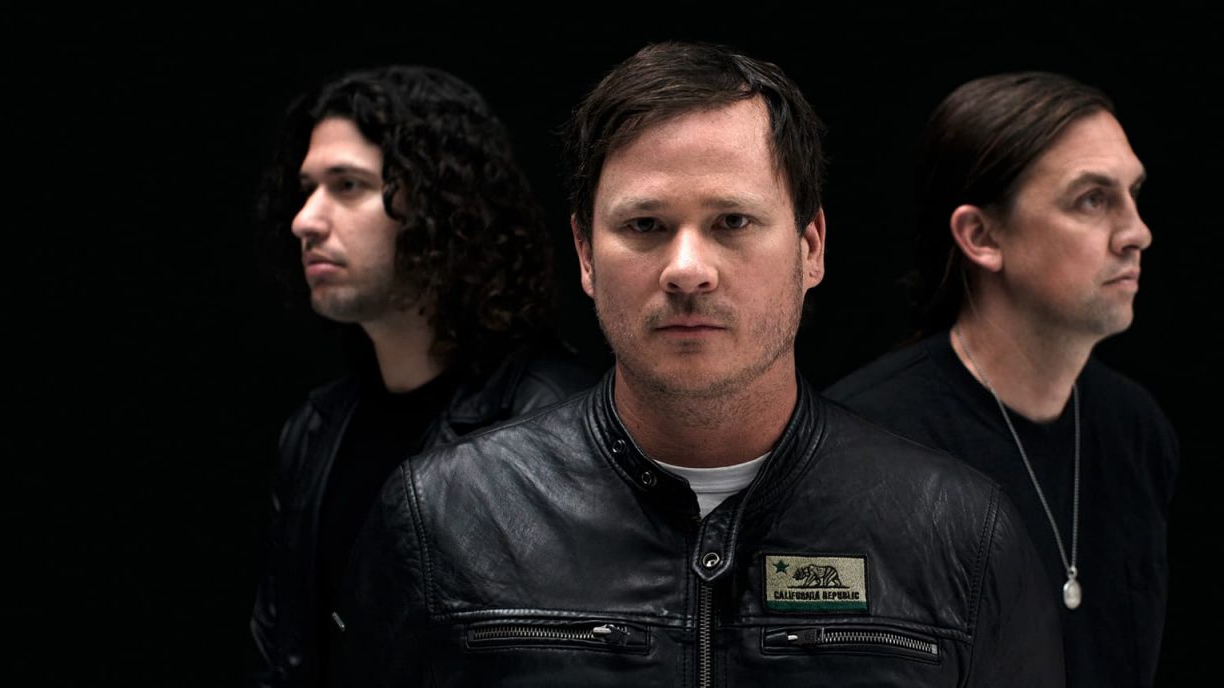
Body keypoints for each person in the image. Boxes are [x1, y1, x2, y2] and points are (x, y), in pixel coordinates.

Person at [331, 42, 1063, 687]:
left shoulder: (960, 534)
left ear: (810, 249)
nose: (687, 269)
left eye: (732, 222)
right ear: (585, 255)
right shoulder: (445, 518)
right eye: (645, 225)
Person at [247, 65, 596, 688]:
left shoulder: (557, 428)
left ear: (442, 206)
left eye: (347, 186)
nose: (305, 219)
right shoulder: (315, 431)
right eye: (306, 189)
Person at [827, 72, 1179, 687]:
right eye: (1092, 200)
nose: (1137, 233)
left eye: (1133, 194)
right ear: (982, 236)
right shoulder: (857, 448)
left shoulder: (1136, 430)